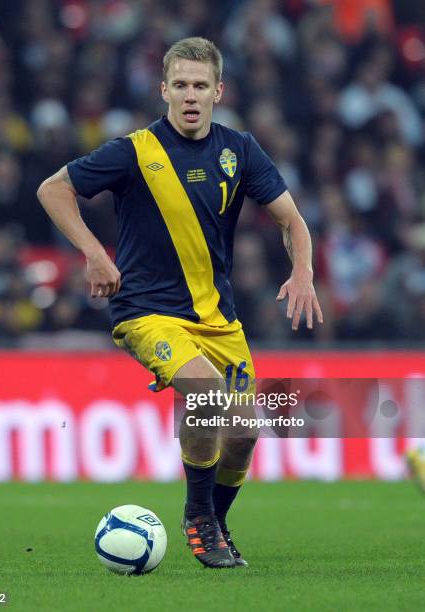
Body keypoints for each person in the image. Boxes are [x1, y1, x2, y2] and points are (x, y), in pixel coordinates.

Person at [37, 37, 323, 569]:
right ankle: (197, 517)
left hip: (218, 321)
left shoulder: (240, 149)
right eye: (181, 85)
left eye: (200, 85)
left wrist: (303, 270)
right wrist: (95, 255)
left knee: (243, 432)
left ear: (219, 91)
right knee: (203, 391)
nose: (190, 96)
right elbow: (53, 189)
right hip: (147, 312)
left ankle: (214, 521)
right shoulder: (133, 151)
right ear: (163, 89)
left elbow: (292, 220)